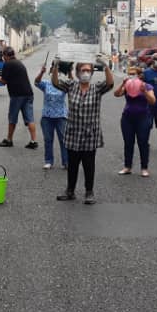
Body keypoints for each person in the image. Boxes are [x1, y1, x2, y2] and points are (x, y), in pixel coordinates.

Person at [53, 56, 114, 204]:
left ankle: (89, 192)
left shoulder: (97, 88)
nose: (86, 73)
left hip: (89, 135)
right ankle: (70, 191)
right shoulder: (71, 85)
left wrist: (106, 66)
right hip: (73, 133)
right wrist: (56, 65)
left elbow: (110, 83)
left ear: (92, 73)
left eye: (88, 70)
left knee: (89, 165)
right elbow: (55, 82)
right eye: (83, 70)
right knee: (72, 165)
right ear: (78, 72)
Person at [0, 46, 38, 149]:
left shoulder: (8, 64)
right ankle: (33, 141)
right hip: (28, 93)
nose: (3, 57)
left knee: (12, 118)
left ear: (6, 55)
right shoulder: (19, 62)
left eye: (3, 55)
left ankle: (9, 140)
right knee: (30, 118)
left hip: (17, 94)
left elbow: (3, 81)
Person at [115, 65, 157, 177]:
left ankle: (144, 168)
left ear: (140, 75)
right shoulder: (128, 85)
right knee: (128, 143)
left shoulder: (147, 86)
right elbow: (116, 94)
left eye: (133, 74)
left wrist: (144, 92)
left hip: (143, 118)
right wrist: (122, 84)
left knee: (143, 143)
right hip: (127, 118)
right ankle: (127, 167)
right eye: (130, 74)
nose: (131, 76)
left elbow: (153, 101)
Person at [35, 61, 68, 170]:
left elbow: (73, 84)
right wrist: (41, 72)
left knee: (63, 140)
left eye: (57, 71)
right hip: (47, 116)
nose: (55, 73)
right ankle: (48, 161)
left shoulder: (63, 84)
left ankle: (66, 161)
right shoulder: (46, 84)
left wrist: (70, 71)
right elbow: (36, 82)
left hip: (61, 116)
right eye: (54, 71)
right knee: (48, 140)